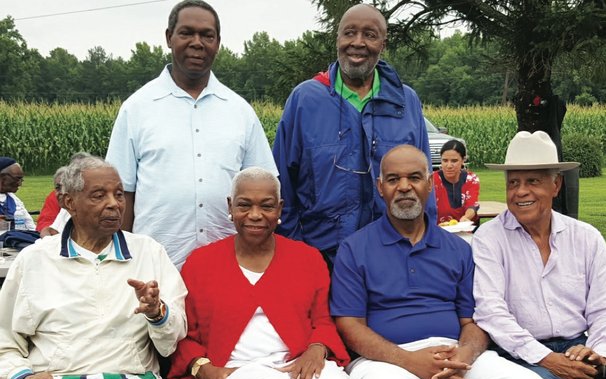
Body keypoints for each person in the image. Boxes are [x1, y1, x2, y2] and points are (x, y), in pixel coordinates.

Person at [330, 144, 551, 379]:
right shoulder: (355, 248)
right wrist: (409, 361)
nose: (404, 187)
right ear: (380, 187)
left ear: (429, 184)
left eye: (414, 178)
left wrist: (463, 357)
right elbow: (350, 325)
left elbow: (473, 321)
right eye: (393, 179)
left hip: (454, 354)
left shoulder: (457, 247)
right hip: (386, 362)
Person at [0, 155, 188, 379]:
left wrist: (157, 313)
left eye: (119, 194)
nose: (114, 204)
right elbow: (4, 340)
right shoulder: (35, 259)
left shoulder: (149, 252)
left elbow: (171, 342)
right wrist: (22, 376)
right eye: (99, 196)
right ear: (69, 202)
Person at [106, 0, 277, 269]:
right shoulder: (137, 108)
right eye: (186, 33)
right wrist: (122, 262)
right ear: (169, 38)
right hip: (156, 266)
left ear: (217, 43)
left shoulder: (239, 111)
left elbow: (265, 189)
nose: (197, 42)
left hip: (228, 268)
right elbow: (120, 193)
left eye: (207, 35)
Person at [169, 167, 359, 379]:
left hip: (297, 361)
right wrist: (202, 367)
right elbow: (185, 334)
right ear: (230, 206)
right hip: (236, 370)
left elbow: (323, 321)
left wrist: (317, 348)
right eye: (244, 205)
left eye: (266, 206)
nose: (255, 214)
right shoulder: (201, 263)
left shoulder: (307, 259)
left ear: (279, 208)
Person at [272, 4, 436, 268]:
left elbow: (425, 183)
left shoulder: (406, 102)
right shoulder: (305, 100)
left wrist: (425, 248)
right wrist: (298, 252)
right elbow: (282, 186)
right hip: (321, 258)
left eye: (369, 35)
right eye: (349, 33)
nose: (357, 43)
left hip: (394, 255)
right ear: (337, 39)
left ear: (383, 44)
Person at [472, 130, 606, 379]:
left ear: (556, 185)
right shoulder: (489, 239)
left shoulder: (586, 237)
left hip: (582, 344)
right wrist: (549, 359)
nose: (520, 192)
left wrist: (598, 354)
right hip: (520, 352)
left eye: (533, 181)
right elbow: (491, 312)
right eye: (513, 182)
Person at [432, 140, 479, 224]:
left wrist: (466, 217)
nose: (449, 166)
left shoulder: (471, 179)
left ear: (463, 160)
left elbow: (472, 205)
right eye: (445, 161)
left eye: (454, 161)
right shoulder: (431, 180)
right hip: (437, 231)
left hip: (464, 230)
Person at [0, 157, 35, 231]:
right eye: (17, 178)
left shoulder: (15, 201)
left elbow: (31, 227)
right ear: (2, 177)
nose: (20, 183)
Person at [36, 166, 66, 236]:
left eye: (67, 186)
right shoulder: (55, 197)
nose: (63, 192)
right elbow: (44, 223)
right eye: (58, 188)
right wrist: (47, 231)